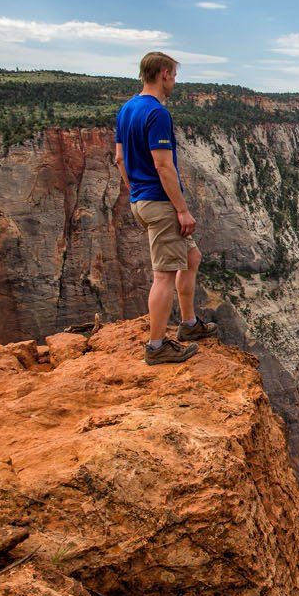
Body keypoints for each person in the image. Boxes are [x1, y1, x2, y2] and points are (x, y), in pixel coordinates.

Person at [114, 51, 216, 364]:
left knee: (191, 257)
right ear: (164, 74)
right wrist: (182, 210)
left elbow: (119, 158)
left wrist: (133, 188)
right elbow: (163, 165)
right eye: (173, 75)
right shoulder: (157, 112)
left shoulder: (127, 108)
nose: (175, 81)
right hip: (160, 203)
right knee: (163, 276)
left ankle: (188, 325)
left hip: (143, 200)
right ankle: (157, 347)